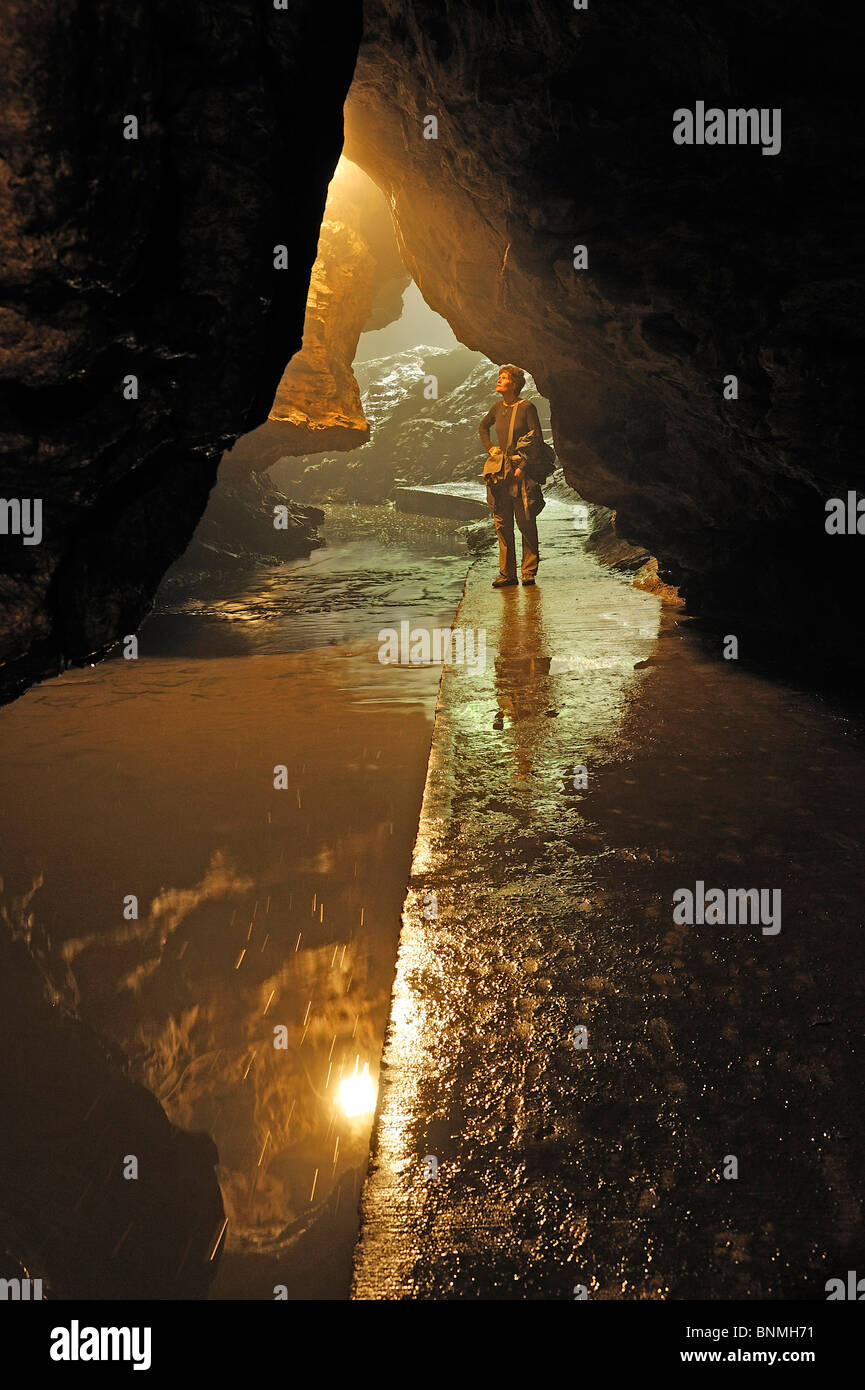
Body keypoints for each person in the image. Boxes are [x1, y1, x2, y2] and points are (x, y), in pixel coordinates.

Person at [479, 365, 545, 587]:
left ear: (514, 384)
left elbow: (536, 439)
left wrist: (524, 466)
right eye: (499, 377)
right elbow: (482, 428)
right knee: (502, 522)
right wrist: (490, 448)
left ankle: (528, 571)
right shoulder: (497, 408)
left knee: (525, 520)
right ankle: (507, 574)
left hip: (520, 472)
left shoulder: (527, 407)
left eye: (503, 377)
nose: (499, 380)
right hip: (499, 472)